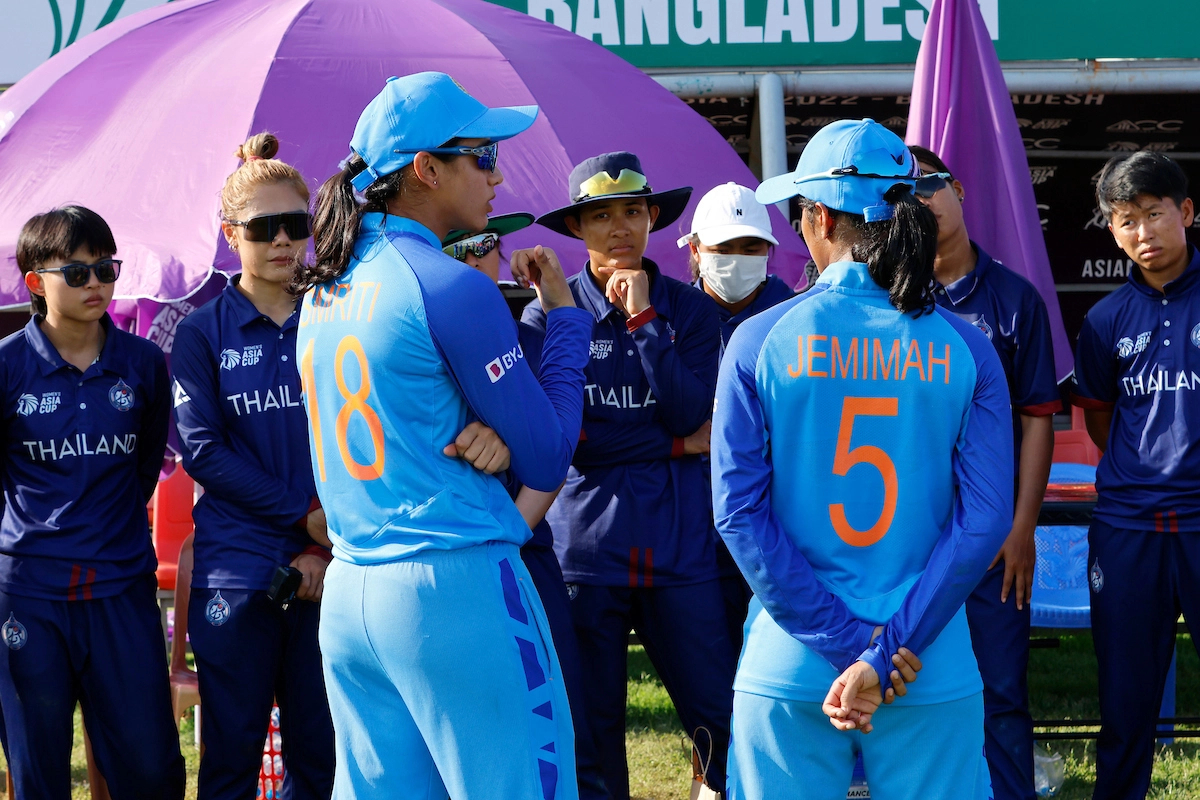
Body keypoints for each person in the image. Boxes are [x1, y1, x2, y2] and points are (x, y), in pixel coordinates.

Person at [293, 72, 592, 800]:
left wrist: (487, 427)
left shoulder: (324, 286)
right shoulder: (449, 284)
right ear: (426, 170)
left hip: (353, 592)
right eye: (483, 155)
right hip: (454, 591)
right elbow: (550, 451)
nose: (497, 174)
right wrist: (568, 321)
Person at [711, 119, 1014, 800]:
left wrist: (847, 643)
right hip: (925, 660)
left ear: (818, 216)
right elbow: (987, 518)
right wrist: (884, 652)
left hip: (791, 660)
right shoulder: (965, 347)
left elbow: (738, 514)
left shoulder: (758, 340)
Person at [523, 151, 736, 799]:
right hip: (586, 557)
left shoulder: (690, 312)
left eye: (632, 211)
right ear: (578, 228)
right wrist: (676, 447)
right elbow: (568, 441)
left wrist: (644, 322)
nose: (619, 227)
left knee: (720, 723)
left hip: (681, 553)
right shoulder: (548, 316)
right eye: (600, 215)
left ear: (652, 219)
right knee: (592, 737)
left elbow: (688, 409)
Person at [170, 133, 335, 799]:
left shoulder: (339, 315)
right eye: (263, 228)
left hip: (337, 562)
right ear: (229, 234)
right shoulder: (201, 331)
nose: (283, 242)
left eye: (296, 225)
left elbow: (368, 437)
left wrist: (332, 543)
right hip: (236, 574)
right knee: (231, 765)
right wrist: (306, 518)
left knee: (321, 760)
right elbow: (204, 451)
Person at [0, 206, 184, 798]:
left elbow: (143, 469)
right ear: (35, 283)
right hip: (28, 595)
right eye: (76, 273)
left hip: (121, 587)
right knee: (39, 774)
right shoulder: (6, 367)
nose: (97, 284)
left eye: (106, 269)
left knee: (152, 769)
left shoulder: (143, 363)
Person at [442, 212, 610, 800]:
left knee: (560, 730)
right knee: (473, 743)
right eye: (455, 247)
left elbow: (551, 456)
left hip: (523, 554)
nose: (476, 258)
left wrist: (513, 527)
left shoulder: (523, 333)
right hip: (454, 562)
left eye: (486, 242)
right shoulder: (417, 332)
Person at [909, 144, 1060, 800]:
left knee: (1001, 691)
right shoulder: (890, 299)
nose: (922, 201)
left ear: (960, 188)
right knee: (908, 690)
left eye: (931, 184)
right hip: (908, 537)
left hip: (994, 538)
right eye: (902, 194)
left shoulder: (1014, 300)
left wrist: (1022, 525)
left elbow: (1036, 418)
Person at [1072, 151, 1200, 800]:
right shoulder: (1102, 322)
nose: (1143, 232)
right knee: (1125, 704)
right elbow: (1100, 419)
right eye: (1126, 220)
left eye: (1154, 214)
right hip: (1128, 530)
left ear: (1187, 212)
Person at [678, 181, 793, 653]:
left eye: (751, 247)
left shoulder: (795, 315)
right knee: (712, 667)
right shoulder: (668, 317)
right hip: (693, 525)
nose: (738, 258)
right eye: (725, 247)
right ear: (696, 252)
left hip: (777, 522)